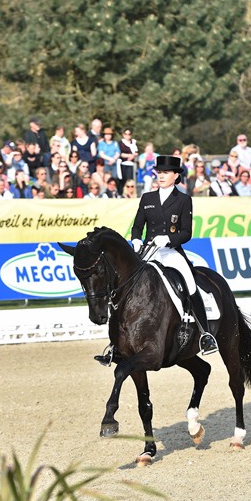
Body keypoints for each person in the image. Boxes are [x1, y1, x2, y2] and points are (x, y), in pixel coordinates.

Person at [94, 155, 218, 365]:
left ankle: (205, 334)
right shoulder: (147, 198)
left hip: (171, 253)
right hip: (148, 251)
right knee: (123, 288)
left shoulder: (183, 200)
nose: (161, 176)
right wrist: (134, 239)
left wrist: (169, 238)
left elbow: (187, 232)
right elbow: (137, 225)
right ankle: (115, 345)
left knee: (189, 283)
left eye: (165, 173)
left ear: (176, 175)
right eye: (159, 173)